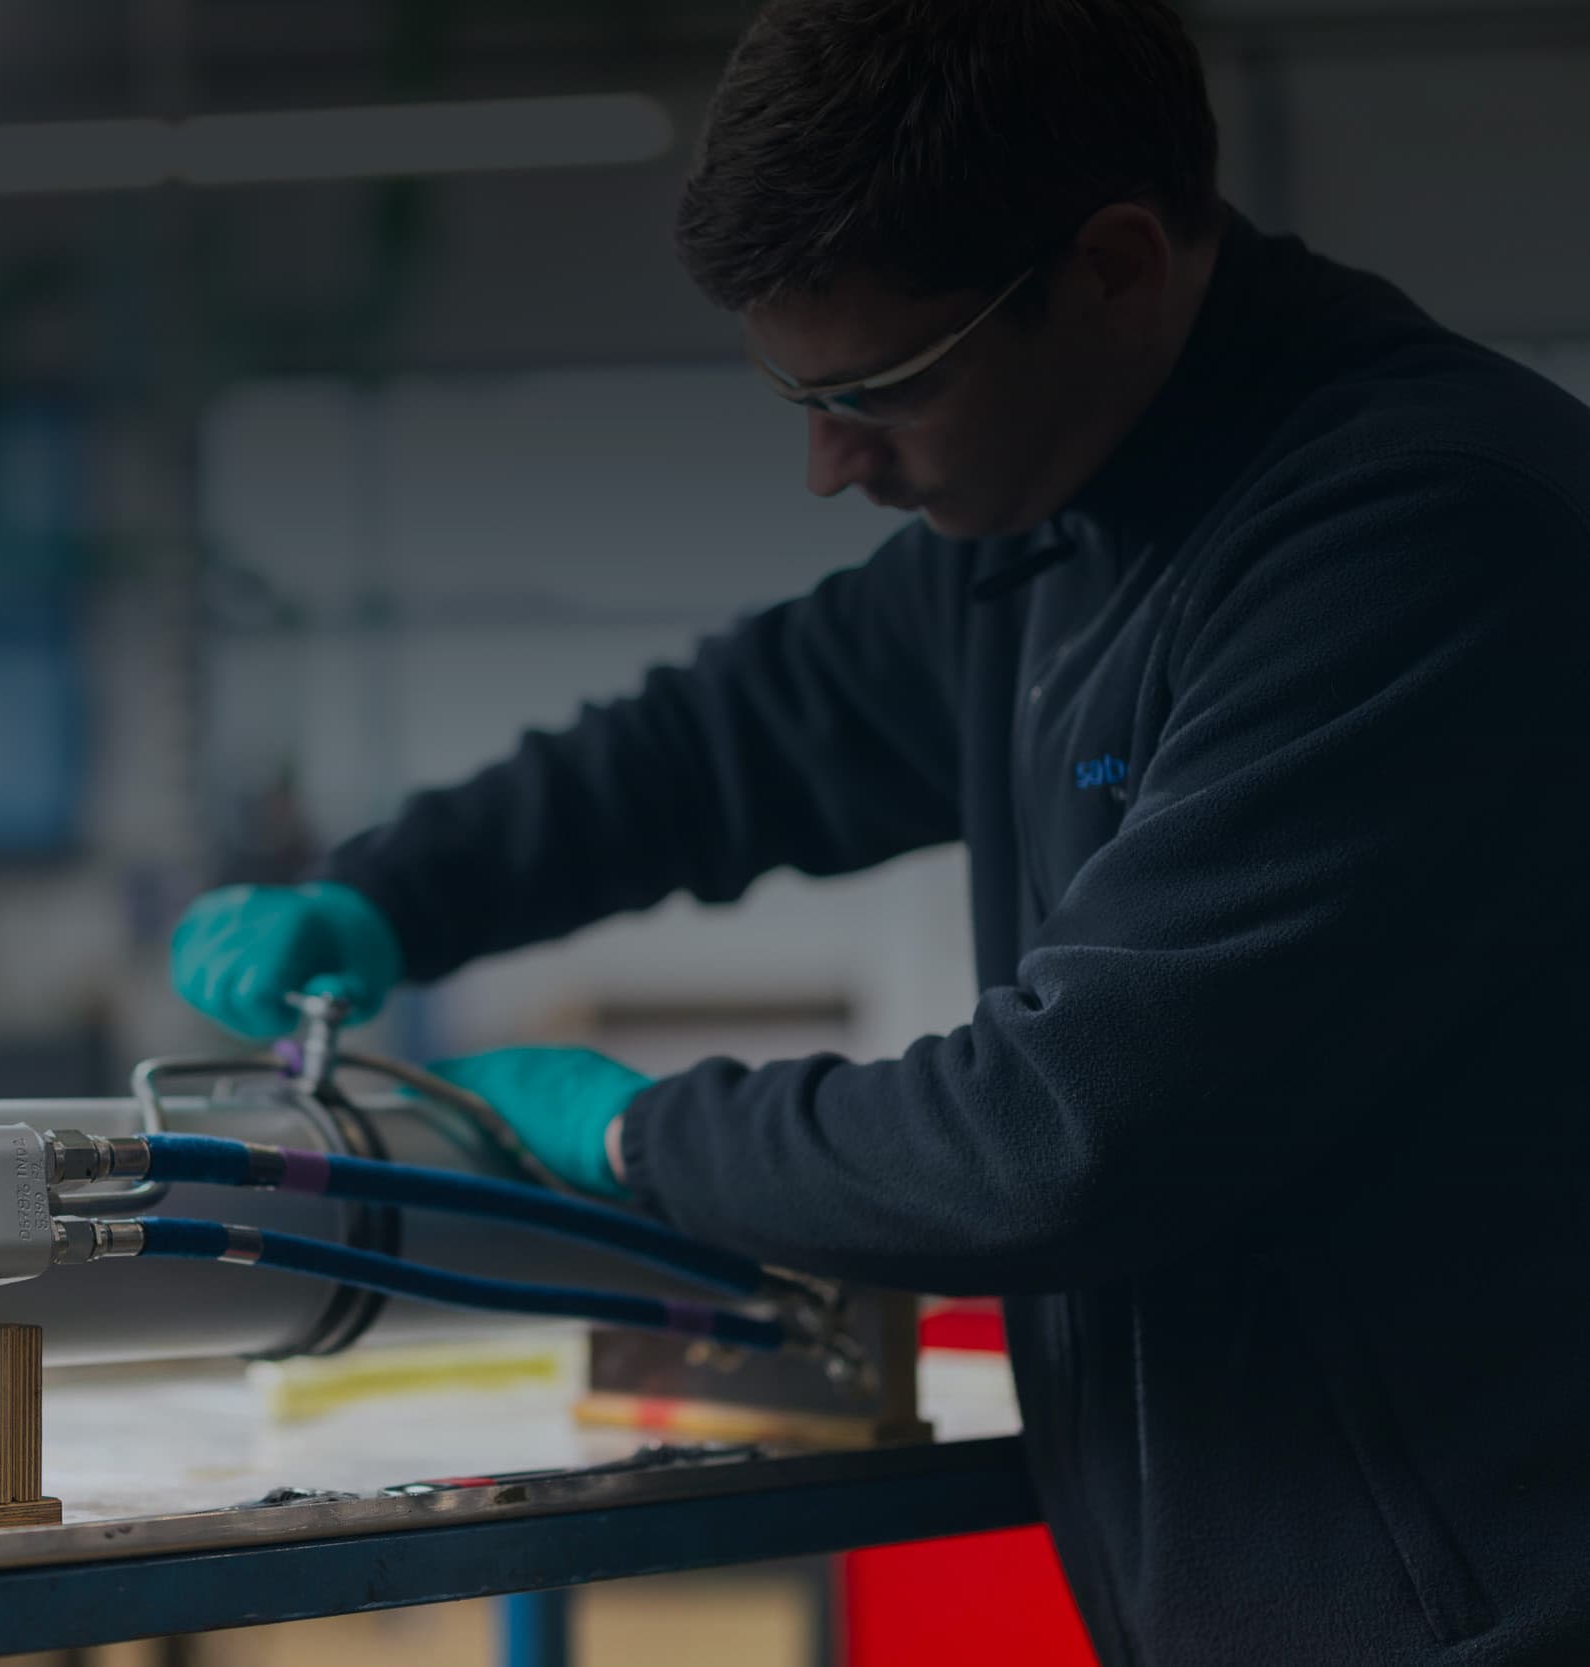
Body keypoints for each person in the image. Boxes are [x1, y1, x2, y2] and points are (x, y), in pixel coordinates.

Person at [168, 2, 1590, 1663]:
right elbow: (722, 747)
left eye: (883, 389)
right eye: (797, 392)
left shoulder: (1413, 542)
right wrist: (390, 896)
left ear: (1115, 264)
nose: (832, 464)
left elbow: (1061, 1133)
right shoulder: (1061, 515)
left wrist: (635, 1137)